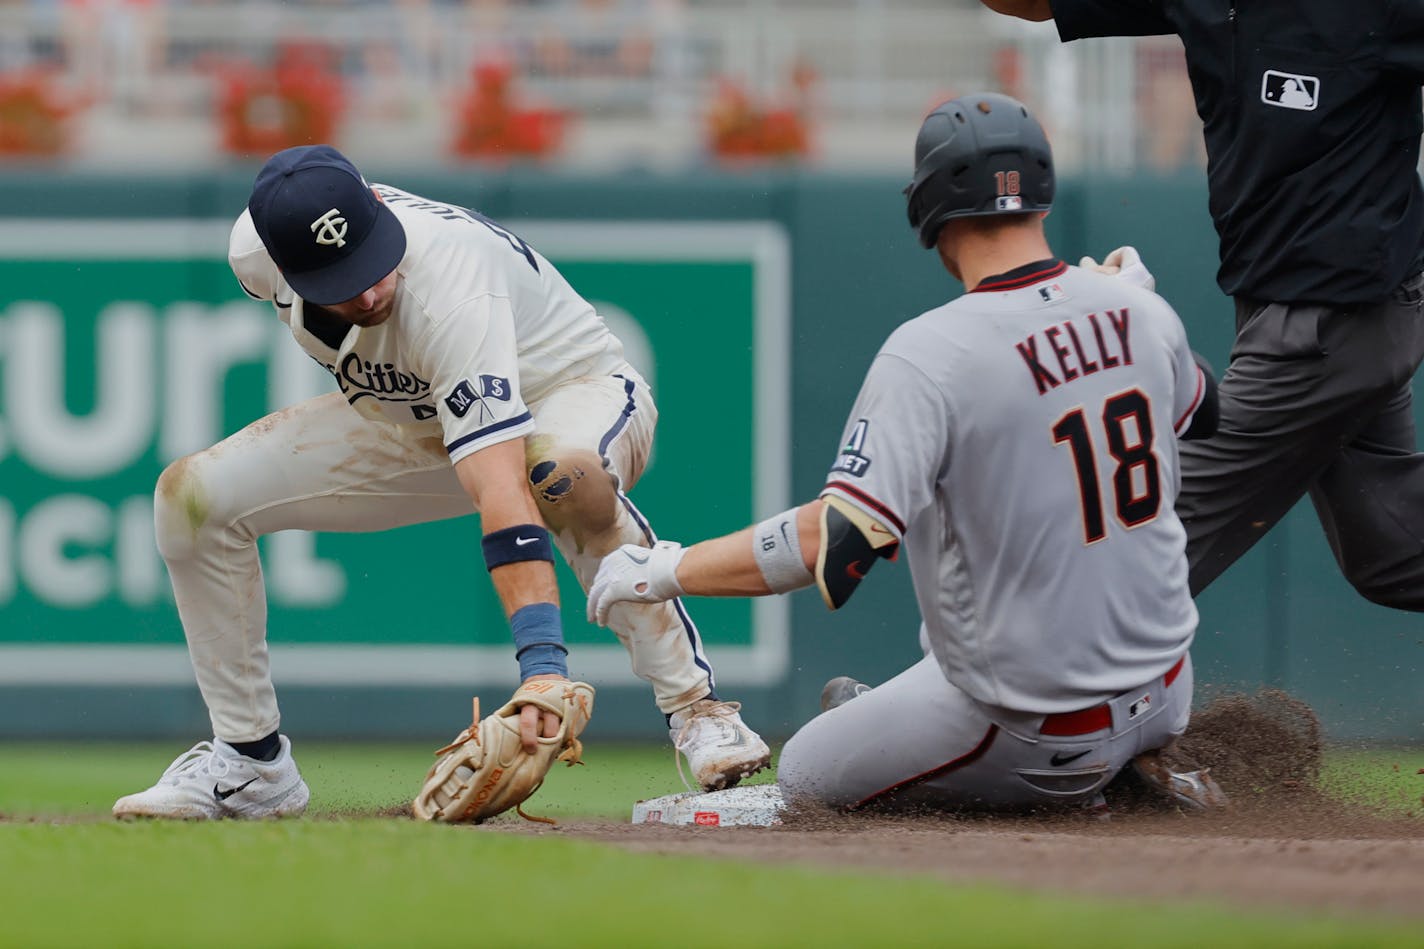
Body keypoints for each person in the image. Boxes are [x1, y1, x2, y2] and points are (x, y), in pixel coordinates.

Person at [587, 92, 1226, 813]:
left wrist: (667, 567)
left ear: (928, 212)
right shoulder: (1143, 310)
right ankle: (1116, 772)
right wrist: (1120, 305)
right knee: (919, 683)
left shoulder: (932, 351)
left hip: (1027, 731)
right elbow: (1207, 409)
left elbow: (834, 544)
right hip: (1168, 693)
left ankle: (1070, 793)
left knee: (806, 771)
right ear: (1042, 195)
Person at [111, 144, 769, 820]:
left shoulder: (448, 279)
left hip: (570, 391)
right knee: (191, 501)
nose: (368, 289)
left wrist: (542, 668)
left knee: (557, 474)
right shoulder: (254, 254)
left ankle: (698, 710)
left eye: (371, 256)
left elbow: (501, 487)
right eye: (340, 277)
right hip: (415, 419)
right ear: (282, 267)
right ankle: (250, 764)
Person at [979, 1, 1424, 610]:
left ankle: (950, 704)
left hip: (1333, 324)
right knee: (1395, 553)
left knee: (1134, 529)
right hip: (1303, 313)